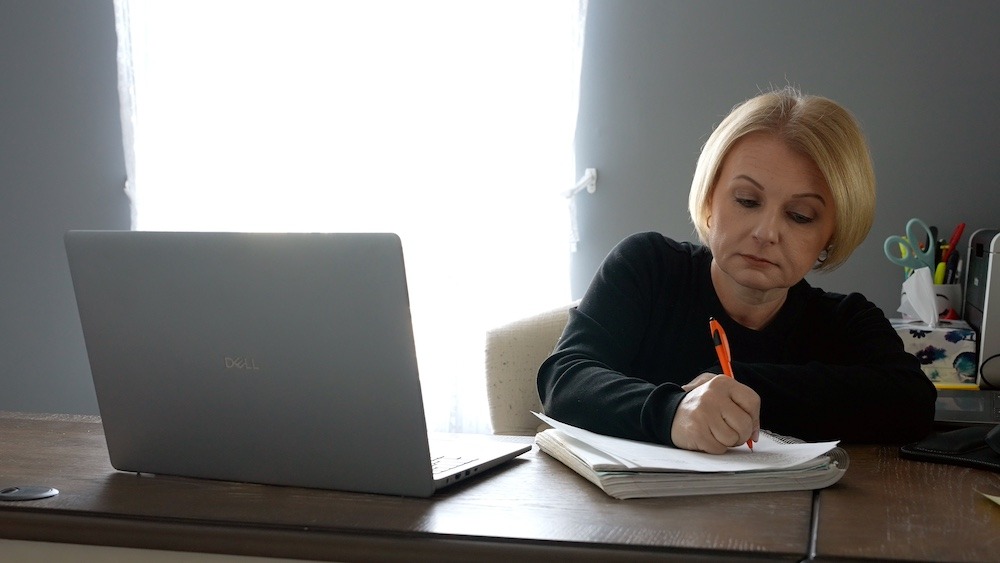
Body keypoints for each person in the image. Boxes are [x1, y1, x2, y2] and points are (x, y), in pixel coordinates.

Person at [537, 87, 937, 454]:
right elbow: (565, 379)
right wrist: (673, 412)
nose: (766, 233)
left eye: (800, 215)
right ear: (710, 200)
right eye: (747, 200)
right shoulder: (647, 267)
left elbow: (912, 403)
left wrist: (744, 384)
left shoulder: (847, 321)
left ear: (831, 236)